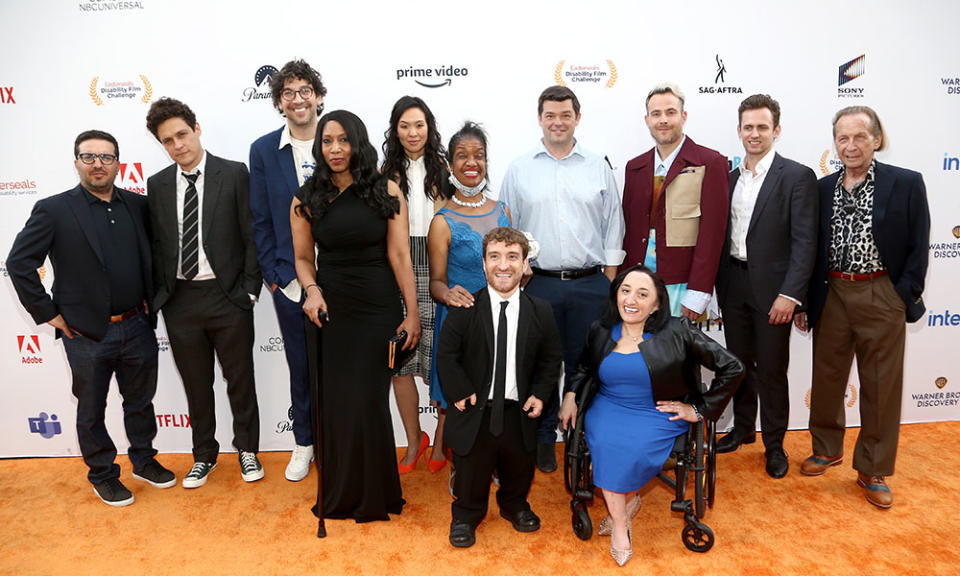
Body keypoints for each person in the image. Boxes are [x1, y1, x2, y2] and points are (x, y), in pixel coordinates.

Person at [7, 130, 175, 506]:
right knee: (91, 409)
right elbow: (19, 264)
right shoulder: (54, 209)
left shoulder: (138, 205)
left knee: (140, 401)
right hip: (84, 334)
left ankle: (144, 460)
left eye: (107, 157)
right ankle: (103, 474)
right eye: (89, 157)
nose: (98, 164)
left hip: (137, 324)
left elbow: (156, 256)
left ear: (118, 163)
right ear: (77, 161)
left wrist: (152, 300)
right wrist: (48, 314)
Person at [559, 265, 743, 566]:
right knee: (607, 443)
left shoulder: (678, 330)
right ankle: (621, 524)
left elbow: (733, 367)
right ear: (616, 295)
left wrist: (698, 409)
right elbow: (582, 367)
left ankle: (625, 504)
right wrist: (569, 395)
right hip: (608, 407)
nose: (631, 300)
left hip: (657, 410)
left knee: (634, 449)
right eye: (625, 290)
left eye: (642, 294)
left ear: (656, 304)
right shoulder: (601, 330)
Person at [795, 106, 930, 509]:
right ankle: (827, 447)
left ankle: (872, 468)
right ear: (834, 143)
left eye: (858, 137)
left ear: (876, 139)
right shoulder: (821, 188)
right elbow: (810, 250)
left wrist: (902, 294)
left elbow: (919, 245)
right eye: (842, 138)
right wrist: (805, 299)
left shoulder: (905, 183)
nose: (850, 146)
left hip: (881, 293)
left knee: (881, 386)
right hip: (832, 291)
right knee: (828, 376)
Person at [291, 109, 420, 522]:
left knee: (368, 402)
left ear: (358, 143)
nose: (335, 149)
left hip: (378, 308)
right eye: (327, 141)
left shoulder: (387, 190)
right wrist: (311, 292)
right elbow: (301, 258)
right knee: (338, 404)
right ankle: (341, 493)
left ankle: (376, 495)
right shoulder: (305, 197)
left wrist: (411, 312)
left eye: (343, 140)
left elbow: (400, 255)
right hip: (330, 312)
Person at [500, 85, 625, 473]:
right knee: (541, 363)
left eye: (565, 115)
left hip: (591, 283)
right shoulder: (520, 169)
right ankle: (542, 435)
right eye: (550, 115)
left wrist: (607, 278)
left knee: (586, 363)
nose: (558, 122)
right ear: (540, 118)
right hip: (539, 283)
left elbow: (613, 225)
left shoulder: (597, 165)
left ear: (577, 118)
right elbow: (509, 228)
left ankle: (581, 436)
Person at [146, 97, 264, 488]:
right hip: (180, 300)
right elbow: (157, 244)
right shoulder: (157, 184)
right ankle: (204, 455)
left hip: (228, 296)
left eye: (182, 134)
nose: (178, 144)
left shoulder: (233, 174)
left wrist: (249, 290)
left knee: (240, 380)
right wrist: (161, 296)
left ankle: (247, 450)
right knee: (196, 384)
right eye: (168, 140)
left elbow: (251, 235)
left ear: (197, 129)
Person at [437, 227, 563, 548]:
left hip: (518, 411)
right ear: (483, 264)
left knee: (519, 468)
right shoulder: (464, 309)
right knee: (471, 472)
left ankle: (515, 505)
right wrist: (460, 391)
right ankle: (466, 514)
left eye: (512, 257)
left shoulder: (541, 311)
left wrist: (540, 394)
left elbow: (551, 359)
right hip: (475, 411)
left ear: (525, 265)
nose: (503, 265)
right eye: (495, 257)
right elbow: (447, 356)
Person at [714, 94, 818, 478]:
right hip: (733, 285)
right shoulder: (728, 178)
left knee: (773, 369)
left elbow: (805, 242)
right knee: (738, 365)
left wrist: (791, 295)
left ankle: (775, 445)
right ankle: (742, 430)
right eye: (747, 127)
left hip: (776, 292)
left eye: (762, 127)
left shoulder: (796, 176)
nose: (754, 134)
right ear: (739, 131)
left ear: (776, 130)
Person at [249, 59, 327, 482]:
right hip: (289, 279)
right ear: (279, 102)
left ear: (318, 96)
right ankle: (303, 443)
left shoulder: (339, 138)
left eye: (304, 90)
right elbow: (260, 218)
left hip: (338, 275)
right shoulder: (263, 150)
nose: (297, 99)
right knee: (301, 365)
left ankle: (335, 441)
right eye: (288, 93)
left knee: (338, 366)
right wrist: (274, 277)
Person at [428, 121, 512, 477]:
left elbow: (513, 264)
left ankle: (493, 461)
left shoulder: (502, 210)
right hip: (461, 323)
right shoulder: (442, 220)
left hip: (499, 321)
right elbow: (436, 281)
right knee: (460, 400)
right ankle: (459, 468)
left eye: (478, 155)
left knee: (496, 395)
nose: (471, 162)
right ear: (450, 164)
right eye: (462, 155)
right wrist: (446, 293)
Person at [381, 96, 450, 474]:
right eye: (405, 125)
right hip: (398, 266)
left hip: (440, 267)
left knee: (442, 361)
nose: (412, 133)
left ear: (429, 127)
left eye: (419, 125)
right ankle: (413, 440)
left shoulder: (445, 169)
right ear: (395, 129)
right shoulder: (382, 174)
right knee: (400, 363)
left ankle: (440, 440)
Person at [621, 83, 729, 320]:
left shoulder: (710, 162)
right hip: (638, 283)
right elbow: (628, 231)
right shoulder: (635, 167)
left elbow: (712, 233)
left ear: (683, 116)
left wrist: (699, 291)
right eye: (656, 114)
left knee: (679, 355)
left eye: (670, 112)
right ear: (647, 119)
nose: (663, 120)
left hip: (683, 285)